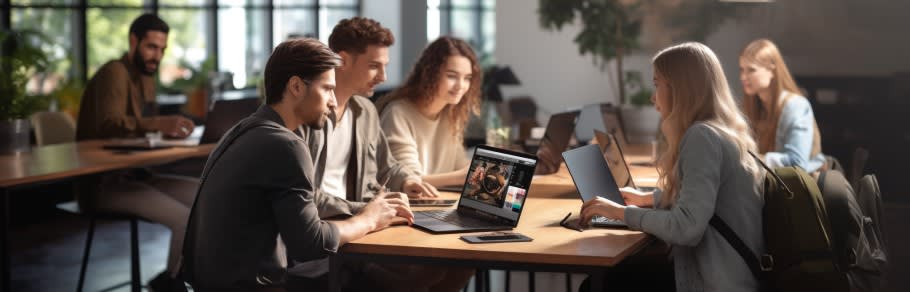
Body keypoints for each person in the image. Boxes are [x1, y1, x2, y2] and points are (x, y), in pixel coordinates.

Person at [182, 38, 414, 291]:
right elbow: (309, 244)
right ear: (295, 86)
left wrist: (364, 210)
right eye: (327, 89)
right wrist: (369, 220)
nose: (334, 102)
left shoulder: (242, 130)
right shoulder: (286, 145)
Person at [579, 42, 765, 291]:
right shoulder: (723, 130)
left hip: (716, 283)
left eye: (657, 84)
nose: (653, 96)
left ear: (680, 89)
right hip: (732, 275)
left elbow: (687, 227)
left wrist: (619, 213)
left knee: (600, 284)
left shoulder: (702, 137)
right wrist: (650, 199)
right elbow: (706, 200)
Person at [75, 13, 196, 291]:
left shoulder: (145, 76)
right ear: (133, 41)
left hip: (136, 175)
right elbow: (110, 125)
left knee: (205, 194)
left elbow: (141, 130)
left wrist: (167, 129)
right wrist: (159, 124)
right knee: (185, 218)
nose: (157, 55)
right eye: (151, 47)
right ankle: (170, 283)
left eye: (162, 49)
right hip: (102, 184)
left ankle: (173, 279)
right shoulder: (114, 72)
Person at [302, 17, 437, 202]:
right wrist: (364, 212)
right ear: (342, 60)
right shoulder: (307, 112)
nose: (383, 77)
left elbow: (386, 165)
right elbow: (302, 195)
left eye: (385, 66)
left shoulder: (366, 111)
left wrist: (407, 181)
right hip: (324, 222)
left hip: (358, 218)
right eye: (374, 66)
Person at [376, 36, 482, 187]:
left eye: (467, 78)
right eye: (452, 76)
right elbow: (408, 180)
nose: (461, 85)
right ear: (430, 73)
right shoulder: (398, 113)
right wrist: (463, 177)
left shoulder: (451, 113)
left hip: (440, 201)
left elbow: (459, 166)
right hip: (407, 206)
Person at [740, 38, 825, 173]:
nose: (743, 76)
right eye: (742, 69)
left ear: (772, 70)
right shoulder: (756, 109)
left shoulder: (795, 106)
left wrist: (752, 159)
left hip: (796, 189)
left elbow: (797, 163)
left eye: (751, 70)